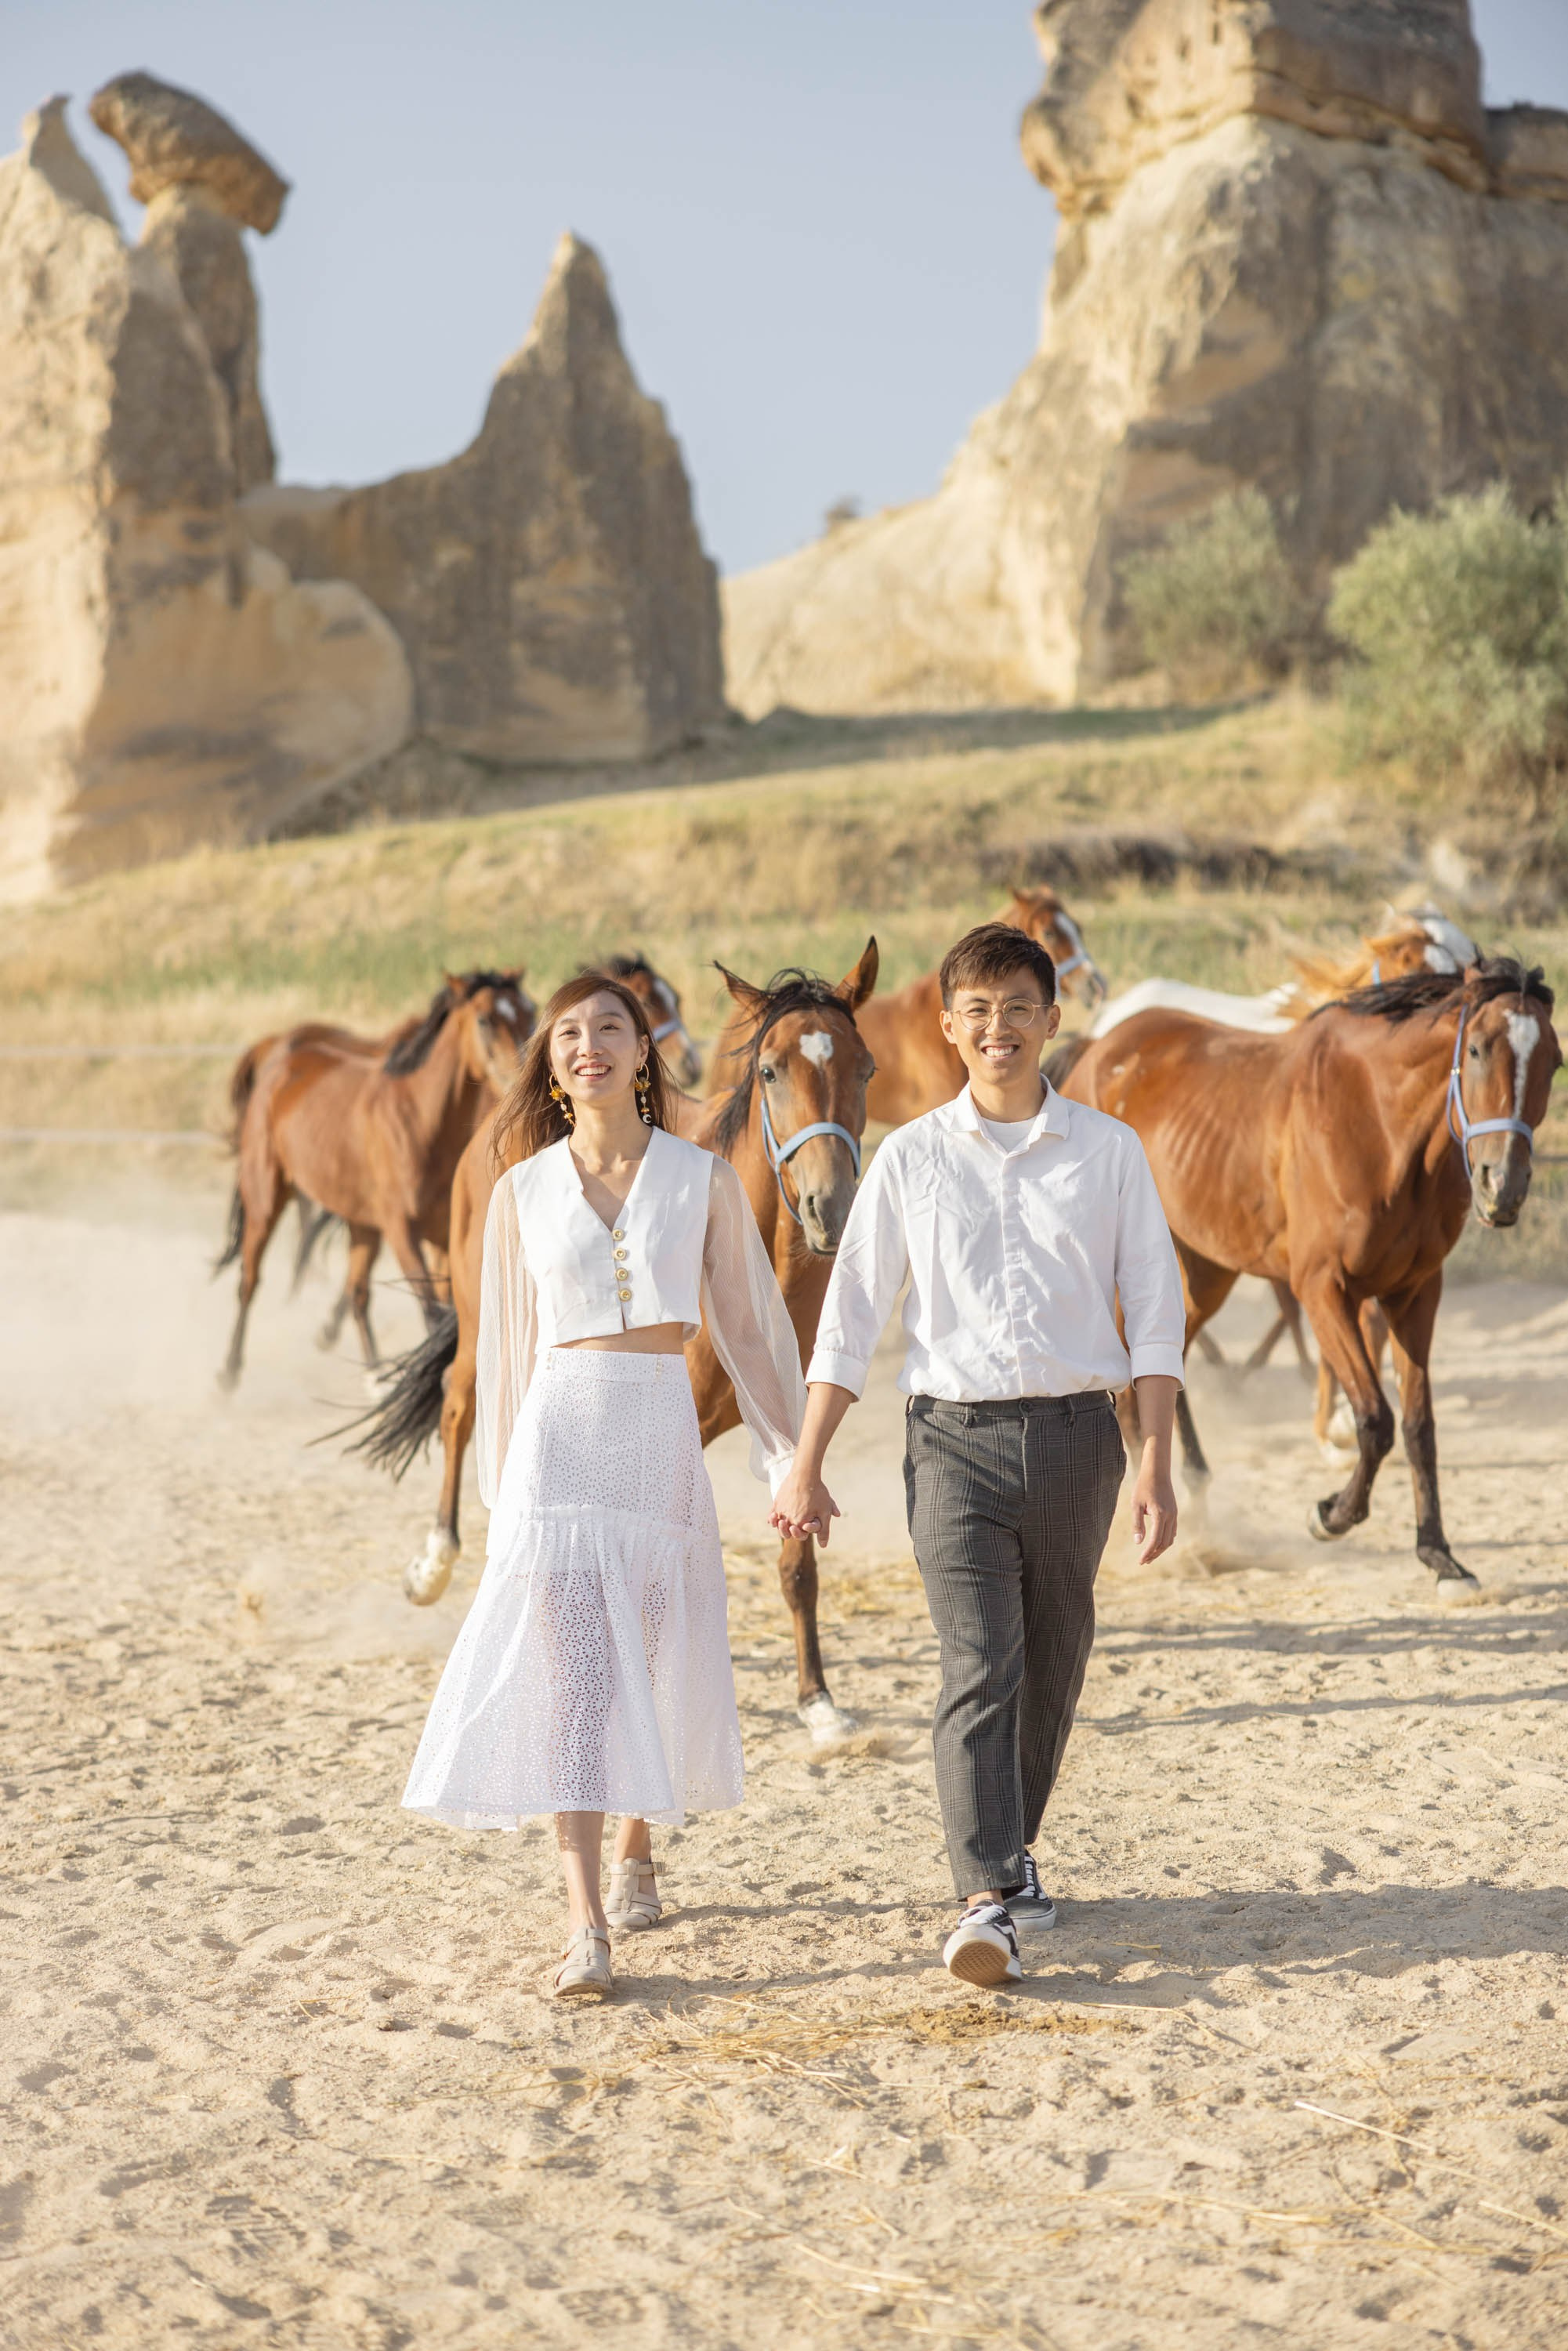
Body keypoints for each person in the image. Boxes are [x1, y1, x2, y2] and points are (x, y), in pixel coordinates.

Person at [771, 922, 1186, 1989]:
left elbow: (1152, 1311)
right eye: (976, 1012)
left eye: (1016, 1009)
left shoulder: (1109, 1154)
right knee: (978, 1663)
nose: (996, 1029)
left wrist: (1153, 1461)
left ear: (1048, 1021)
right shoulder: (908, 1158)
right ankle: (984, 1901)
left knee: (1051, 1665)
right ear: (948, 1029)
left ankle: (1008, 1860)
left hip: (1077, 1440)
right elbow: (851, 1314)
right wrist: (806, 1460)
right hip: (950, 1443)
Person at [404, 974, 805, 2000]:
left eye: (609, 1029)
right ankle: (585, 1925)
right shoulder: (519, 1190)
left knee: (657, 1657)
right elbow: (502, 1349)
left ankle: (639, 1845)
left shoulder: (700, 1179)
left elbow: (751, 1328)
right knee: (577, 1681)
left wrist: (784, 1457)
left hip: (658, 1433)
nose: (588, 1045)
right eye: (569, 1033)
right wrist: (503, 1497)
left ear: (640, 1052)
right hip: (560, 1442)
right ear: (551, 1062)